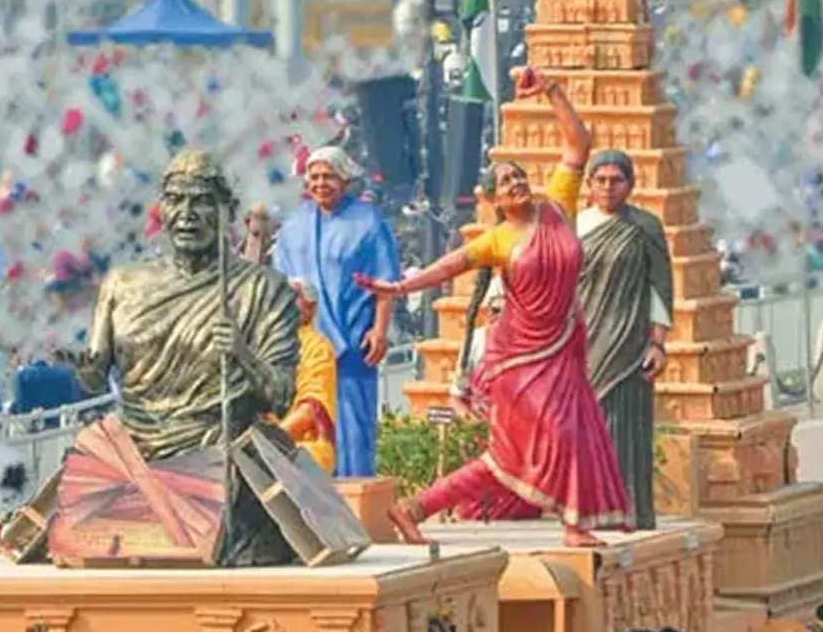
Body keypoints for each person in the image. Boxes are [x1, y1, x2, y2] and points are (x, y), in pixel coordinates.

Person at [355, 68, 633, 548]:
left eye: (519, 176)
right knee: (560, 435)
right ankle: (573, 526)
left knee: (516, 455)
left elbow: (579, 144)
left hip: (563, 349)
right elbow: (446, 267)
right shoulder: (497, 240)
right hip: (520, 360)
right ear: (492, 199)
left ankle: (413, 509)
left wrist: (551, 90)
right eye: (505, 182)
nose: (516, 184)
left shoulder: (558, 209)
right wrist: (398, 289)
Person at [74, 150, 302, 566]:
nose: (186, 214)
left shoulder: (263, 290)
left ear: (228, 211)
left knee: (233, 511)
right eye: (175, 200)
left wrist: (241, 354)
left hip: (217, 456)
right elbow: (94, 376)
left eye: (200, 201)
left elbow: (282, 396)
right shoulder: (123, 284)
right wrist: (84, 368)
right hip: (136, 454)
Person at [271, 145, 399, 478]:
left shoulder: (368, 222)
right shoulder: (294, 224)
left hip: (352, 341)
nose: (321, 183)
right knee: (306, 420)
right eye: (314, 177)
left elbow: (385, 282)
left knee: (354, 426)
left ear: (344, 180)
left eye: (329, 176)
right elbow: (278, 284)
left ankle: (354, 497)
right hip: (304, 347)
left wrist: (380, 330)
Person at [576, 149, 674, 530]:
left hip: (629, 340)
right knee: (584, 425)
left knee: (623, 425)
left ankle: (627, 508)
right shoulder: (576, 226)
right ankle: (588, 509)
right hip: (583, 339)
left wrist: (657, 342)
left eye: (616, 180)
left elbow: (661, 287)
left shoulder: (644, 227)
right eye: (600, 180)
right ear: (588, 184)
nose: (607, 187)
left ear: (630, 184)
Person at [277, 278, 338, 474]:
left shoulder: (318, 348)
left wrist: (273, 440)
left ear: (310, 307)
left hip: (303, 445)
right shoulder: (266, 343)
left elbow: (310, 411)